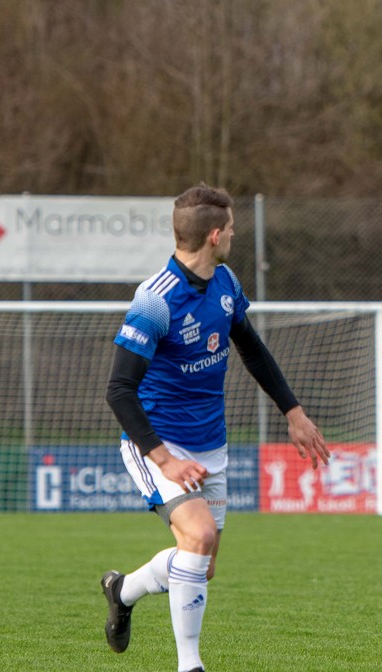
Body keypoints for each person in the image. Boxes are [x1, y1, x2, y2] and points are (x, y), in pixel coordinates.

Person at [100, 183, 330, 672]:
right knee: (199, 538)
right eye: (231, 229)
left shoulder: (225, 281)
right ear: (214, 235)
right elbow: (119, 389)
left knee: (201, 566)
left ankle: (123, 590)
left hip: (210, 445)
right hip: (158, 443)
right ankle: (190, 665)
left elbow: (252, 349)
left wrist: (293, 412)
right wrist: (164, 458)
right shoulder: (154, 300)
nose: (234, 236)